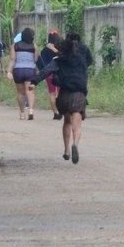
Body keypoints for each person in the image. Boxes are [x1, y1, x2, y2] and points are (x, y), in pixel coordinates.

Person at [51, 31, 92, 162]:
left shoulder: (63, 55)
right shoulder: (84, 49)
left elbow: (51, 69)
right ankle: (75, 144)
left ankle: (67, 150)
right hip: (79, 93)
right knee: (77, 123)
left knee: (67, 121)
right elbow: (89, 62)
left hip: (64, 94)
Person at [11, 27, 40, 120]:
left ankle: (22, 113)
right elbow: (35, 60)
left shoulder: (15, 46)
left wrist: (8, 71)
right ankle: (31, 110)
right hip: (30, 70)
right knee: (30, 91)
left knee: (21, 93)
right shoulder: (34, 46)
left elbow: (12, 59)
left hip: (18, 70)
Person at [39, 31, 62, 120]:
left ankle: (55, 113)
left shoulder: (44, 50)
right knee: (60, 93)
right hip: (59, 73)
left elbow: (43, 63)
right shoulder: (60, 49)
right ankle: (60, 111)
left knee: (52, 93)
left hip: (49, 73)